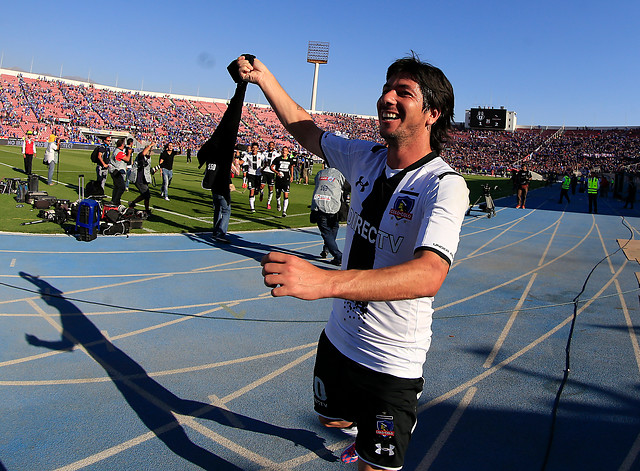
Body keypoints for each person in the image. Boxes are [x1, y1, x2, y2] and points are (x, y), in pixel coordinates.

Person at [238, 53, 469, 470]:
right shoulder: (365, 157)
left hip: (391, 360)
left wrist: (324, 282)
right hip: (340, 338)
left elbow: (430, 273)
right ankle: (356, 434)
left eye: (404, 92)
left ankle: (368, 444)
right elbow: (305, 130)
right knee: (330, 417)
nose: (387, 98)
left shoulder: (444, 185)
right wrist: (263, 77)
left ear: (432, 113)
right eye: (386, 88)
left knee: (372, 466)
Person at [311, 166, 346, 266]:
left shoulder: (320, 173)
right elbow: (347, 187)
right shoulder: (340, 174)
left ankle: (332, 252)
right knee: (333, 228)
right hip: (333, 206)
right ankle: (336, 255)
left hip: (319, 205)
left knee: (327, 232)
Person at [128, 142, 154, 216]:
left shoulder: (148, 158)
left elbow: (147, 168)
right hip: (138, 178)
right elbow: (143, 154)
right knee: (146, 194)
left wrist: (153, 170)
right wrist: (150, 145)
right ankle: (146, 210)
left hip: (144, 178)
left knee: (145, 195)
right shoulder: (140, 155)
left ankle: (133, 203)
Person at [270, 146, 293, 217]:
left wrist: (292, 176)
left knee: (286, 195)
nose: (284, 152)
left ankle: (284, 211)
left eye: (285, 151)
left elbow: (291, 167)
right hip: (278, 179)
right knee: (278, 194)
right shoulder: (277, 159)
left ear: (287, 152)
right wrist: (276, 172)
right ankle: (278, 203)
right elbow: (271, 167)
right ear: (281, 152)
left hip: (286, 179)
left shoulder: (290, 160)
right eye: (283, 151)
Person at [241, 142, 263, 213]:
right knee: (251, 191)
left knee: (256, 192)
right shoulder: (247, 155)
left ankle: (261, 191)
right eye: (253, 148)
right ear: (251, 148)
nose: (254, 149)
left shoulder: (261, 155)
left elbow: (266, 162)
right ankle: (252, 208)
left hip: (258, 175)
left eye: (256, 148)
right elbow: (241, 162)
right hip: (250, 174)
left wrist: (264, 168)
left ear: (257, 149)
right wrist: (236, 161)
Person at [109, 138, 131, 206]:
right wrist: (129, 153)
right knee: (121, 187)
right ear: (122, 145)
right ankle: (116, 201)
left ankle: (115, 200)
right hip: (117, 171)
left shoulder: (116, 150)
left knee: (116, 187)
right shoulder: (119, 152)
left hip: (114, 170)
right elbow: (127, 159)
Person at [262, 141, 279, 209]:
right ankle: (262, 193)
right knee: (261, 186)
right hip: (265, 171)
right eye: (269, 145)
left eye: (272, 145)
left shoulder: (276, 154)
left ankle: (268, 202)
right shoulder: (264, 153)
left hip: (271, 172)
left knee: (270, 188)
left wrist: (277, 171)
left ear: (274, 146)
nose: (270, 146)